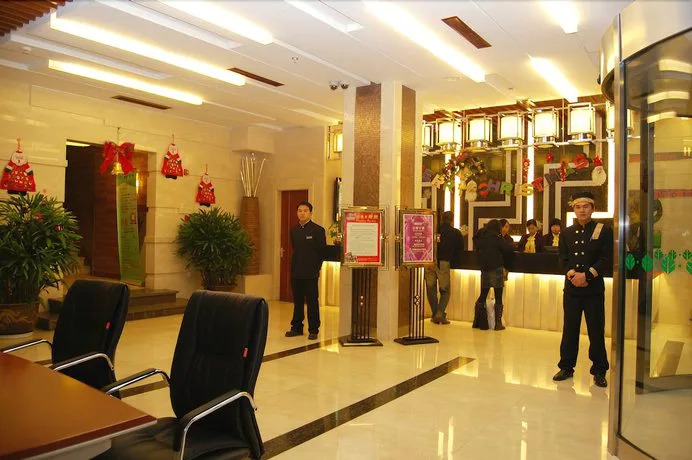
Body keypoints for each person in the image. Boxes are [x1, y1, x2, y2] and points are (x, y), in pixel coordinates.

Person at [553, 191, 612, 387]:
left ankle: (599, 370)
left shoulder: (604, 230)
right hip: (572, 289)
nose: (582, 210)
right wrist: (572, 275)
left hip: (593, 289)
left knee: (596, 330)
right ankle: (566, 367)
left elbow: (606, 258)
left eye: (586, 206)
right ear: (574, 210)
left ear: (593, 208)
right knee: (570, 328)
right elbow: (562, 259)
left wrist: (587, 276)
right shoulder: (567, 232)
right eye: (578, 207)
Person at [285, 201, 326, 340]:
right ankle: (296, 327)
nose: (302, 213)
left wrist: (316, 268)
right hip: (296, 272)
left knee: (312, 302)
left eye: (305, 211)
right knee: (297, 301)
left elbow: (321, 253)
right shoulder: (294, 230)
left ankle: (313, 329)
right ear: (297, 213)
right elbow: (296, 250)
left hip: (310, 273)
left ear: (311, 213)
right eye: (300, 211)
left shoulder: (318, 230)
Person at [472, 219, 514, 330]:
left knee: (483, 295)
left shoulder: (482, 238)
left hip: (485, 269)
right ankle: (498, 324)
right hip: (496, 269)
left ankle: (476, 321)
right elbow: (508, 248)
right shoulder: (497, 238)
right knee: (498, 296)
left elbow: (474, 239)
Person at [425, 211, 463, 325]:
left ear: (441, 219)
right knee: (445, 290)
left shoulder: (432, 230)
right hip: (443, 262)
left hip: (429, 262)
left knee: (430, 289)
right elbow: (460, 249)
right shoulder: (455, 233)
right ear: (452, 220)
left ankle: (435, 314)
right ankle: (440, 314)